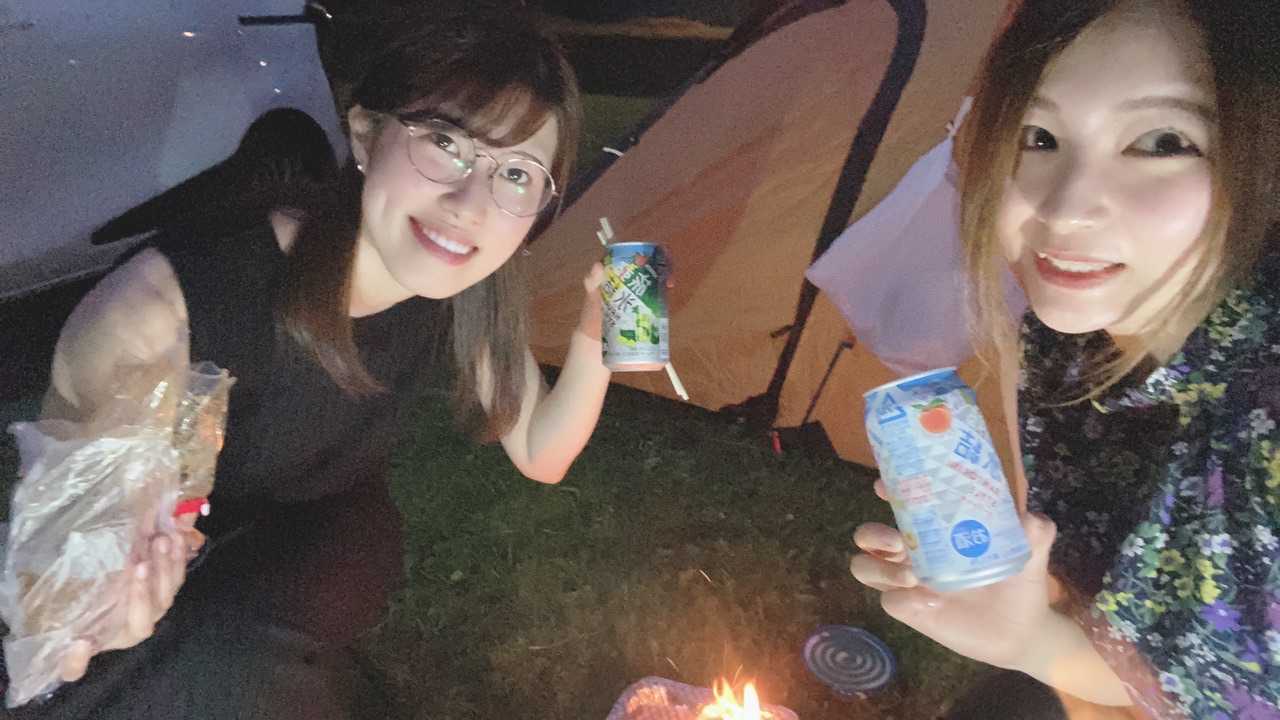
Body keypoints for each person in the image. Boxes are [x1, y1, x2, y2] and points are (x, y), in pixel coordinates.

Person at [4, 8, 610, 719]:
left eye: (516, 173)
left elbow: (541, 451)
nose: (469, 205)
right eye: (445, 143)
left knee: (242, 659)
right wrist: (99, 607)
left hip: (319, 538)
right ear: (366, 134)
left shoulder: (460, 293)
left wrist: (599, 334)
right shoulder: (165, 312)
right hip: (195, 576)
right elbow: (54, 599)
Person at [851, 0, 1279, 717]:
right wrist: (1025, 632)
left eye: (1163, 141)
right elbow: (1157, 669)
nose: (1066, 207)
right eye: (1038, 136)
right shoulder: (1062, 347)